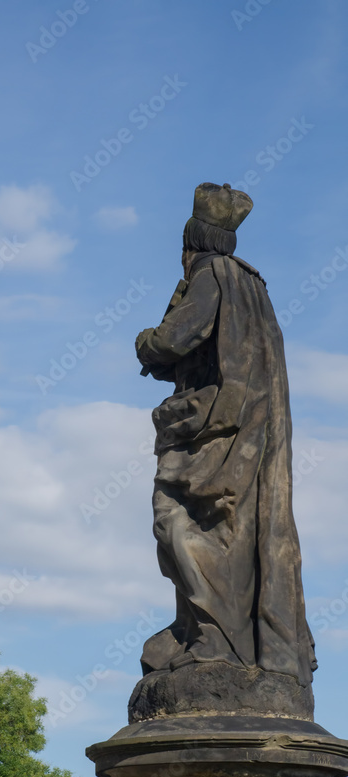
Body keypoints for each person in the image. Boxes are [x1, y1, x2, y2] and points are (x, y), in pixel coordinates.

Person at [135, 182, 316, 687]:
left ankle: (213, 638)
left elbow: (178, 337)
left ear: (193, 237)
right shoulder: (254, 286)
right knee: (234, 532)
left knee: (175, 519)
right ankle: (217, 635)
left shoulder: (212, 275)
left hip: (218, 427)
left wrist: (146, 343)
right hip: (249, 429)